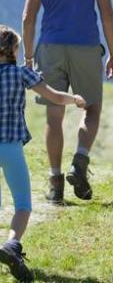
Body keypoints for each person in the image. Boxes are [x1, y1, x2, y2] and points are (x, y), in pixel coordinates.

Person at [22, 0, 113, 205]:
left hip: (50, 46)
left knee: (54, 115)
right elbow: (107, 13)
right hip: (87, 46)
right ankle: (80, 159)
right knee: (90, 108)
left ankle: (55, 183)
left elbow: (28, 17)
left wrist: (28, 56)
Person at [0, 26, 85, 282]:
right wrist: (76, 99)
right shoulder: (21, 73)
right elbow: (55, 97)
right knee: (23, 203)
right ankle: (12, 245)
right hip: (10, 145)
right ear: (14, 50)